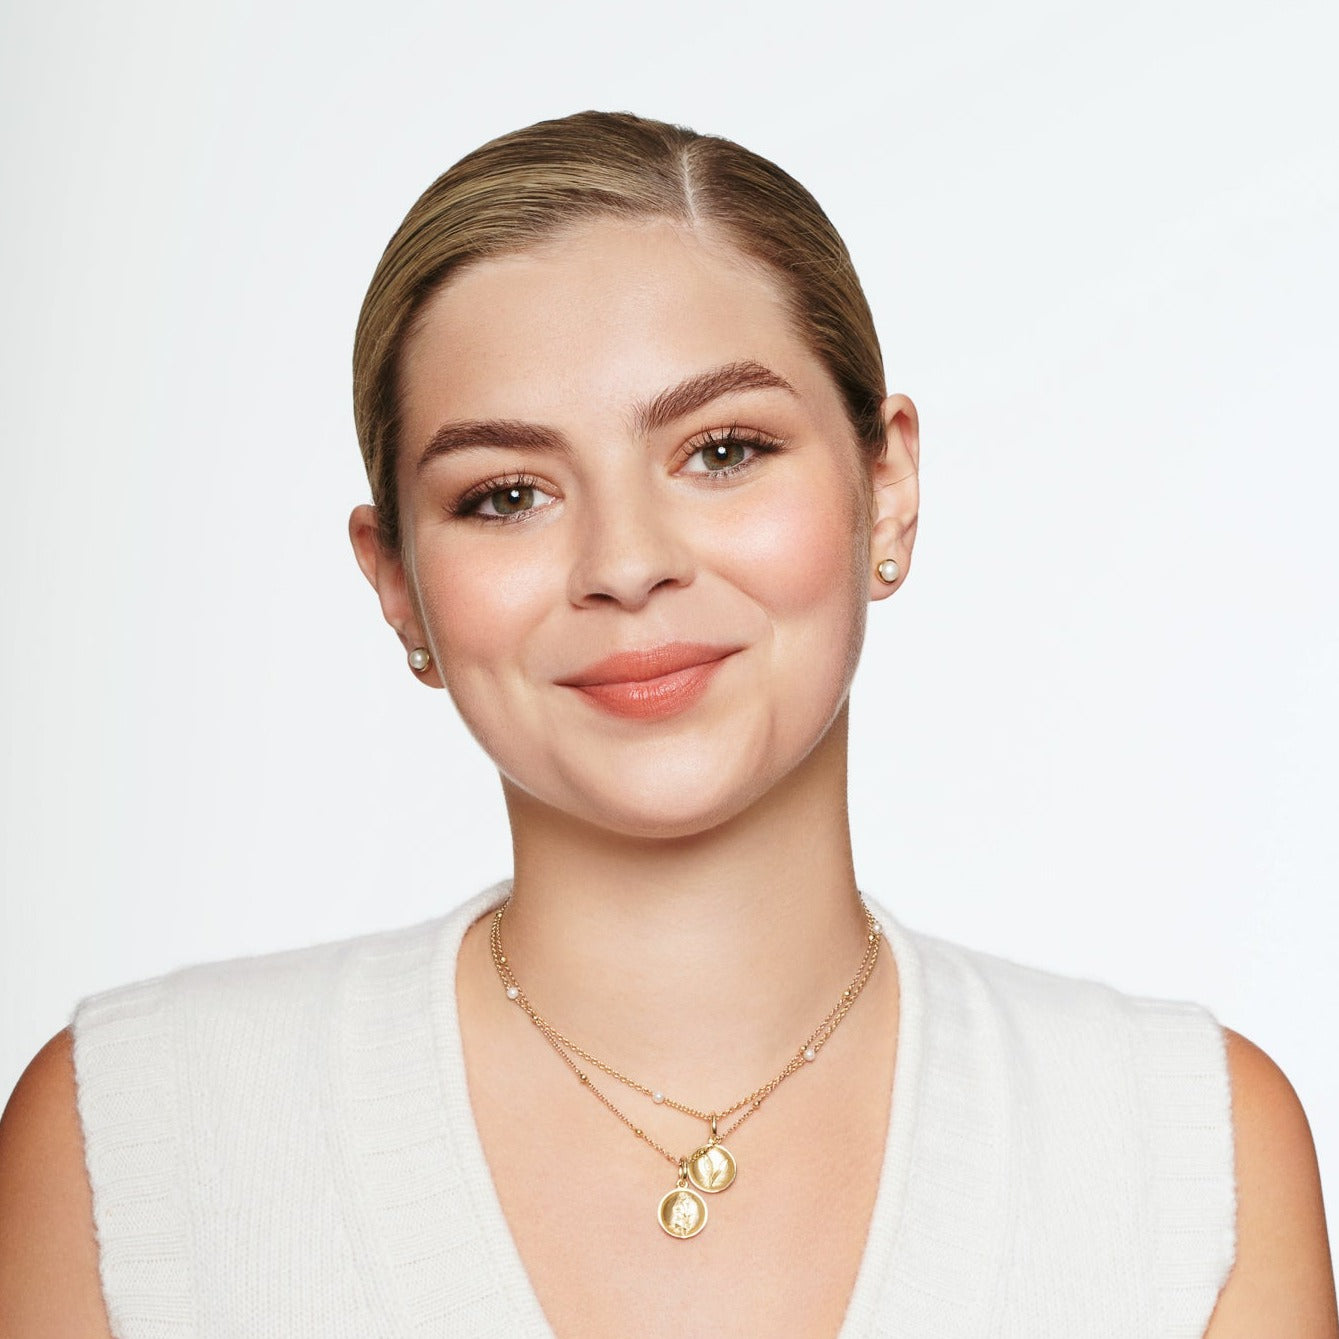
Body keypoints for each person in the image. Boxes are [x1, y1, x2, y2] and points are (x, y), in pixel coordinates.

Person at [0, 110, 1334, 1339]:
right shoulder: (138, 1138)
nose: (626, 563)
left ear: (889, 487)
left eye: (723, 451)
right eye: (507, 493)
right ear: (397, 580)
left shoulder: (1187, 1152)